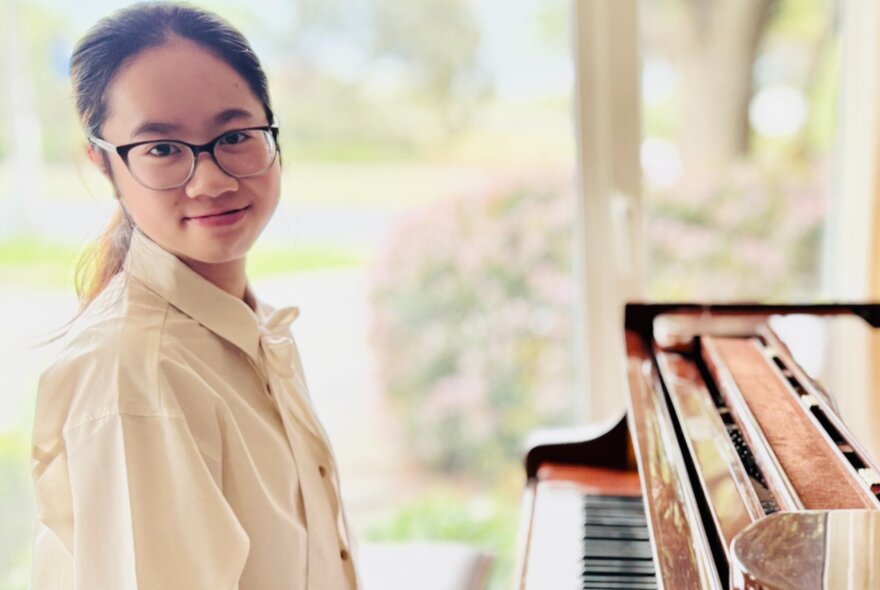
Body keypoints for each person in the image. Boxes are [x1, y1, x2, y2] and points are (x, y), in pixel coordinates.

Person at [30, 3, 359, 588]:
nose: (211, 181)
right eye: (161, 149)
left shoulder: (252, 327)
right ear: (103, 165)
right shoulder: (136, 374)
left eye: (235, 136)